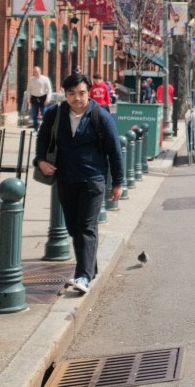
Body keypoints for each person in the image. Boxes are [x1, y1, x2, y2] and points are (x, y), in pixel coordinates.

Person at [33, 73, 124, 295]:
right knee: (74, 228)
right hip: (65, 179)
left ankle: (82, 275)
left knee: (86, 226)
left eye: (82, 93)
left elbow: (115, 151)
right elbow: (42, 142)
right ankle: (90, 269)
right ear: (65, 94)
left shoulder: (100, 116)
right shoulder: (55, 114)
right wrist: (41, 162)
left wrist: (118, 182)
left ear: (89, 92)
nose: (77, 98)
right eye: (72, 93)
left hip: (93, 180)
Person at [26, 66, 52, 131]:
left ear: (40, 71)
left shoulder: (45, 79)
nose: (36, 73)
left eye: (37, 72)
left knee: (44, 114)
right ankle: (35, 129)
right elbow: (28, 90)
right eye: (35, 72)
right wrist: (28, 99)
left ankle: (46, 129)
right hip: (34, 98)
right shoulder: (31, 80)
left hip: (43, 97)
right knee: (34, 115)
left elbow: (49, 90)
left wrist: (48, 99)